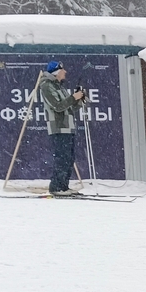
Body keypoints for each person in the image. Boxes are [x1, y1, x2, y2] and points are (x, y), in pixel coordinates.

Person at [38, 60, 86, 196]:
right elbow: (58, 106)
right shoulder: (47, 86)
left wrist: (79, 99)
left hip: (68, 127)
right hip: (59, 127)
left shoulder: (60, 87)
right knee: (62, 158)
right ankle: (56, 187)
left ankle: (64, 186)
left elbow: (70, 107)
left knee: (69, 158)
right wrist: (72, 97)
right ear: (57, 72)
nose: (65, 72)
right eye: (63, 70)